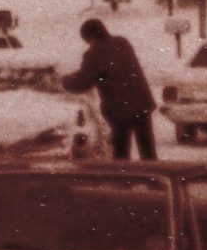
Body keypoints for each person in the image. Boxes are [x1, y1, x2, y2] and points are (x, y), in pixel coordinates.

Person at [62, 17, 158, 160]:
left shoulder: (93, 54)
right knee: (148, 150)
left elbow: (84, 82)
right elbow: (107, 69)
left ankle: (123, 181)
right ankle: (154, 177)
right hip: (142, 104)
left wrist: (65, 81)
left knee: (121, 153)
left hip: (119, 109)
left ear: (90, 37)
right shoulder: (122, 43)